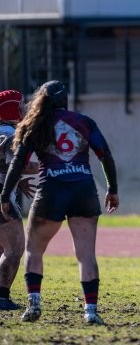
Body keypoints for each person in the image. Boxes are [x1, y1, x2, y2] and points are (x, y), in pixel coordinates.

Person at [0, 81, 119, 325]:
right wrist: (112, 189)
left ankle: (33, 304)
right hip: (83, 190)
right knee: (86, 254)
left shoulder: (34, 125)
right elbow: (105, 155)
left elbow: (16, 163)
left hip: (50, 190)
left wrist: (5, 194)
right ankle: (91, 311)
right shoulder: (84, 122)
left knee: (33, 250)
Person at [0, 90, 31, 311]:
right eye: (21, 104)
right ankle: (1, 298)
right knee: (14, 248)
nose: (25, 108)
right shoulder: (11, 134)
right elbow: (17, 165)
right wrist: (53, 164)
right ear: (10, 109)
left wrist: (18, 181)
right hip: (1, 198)